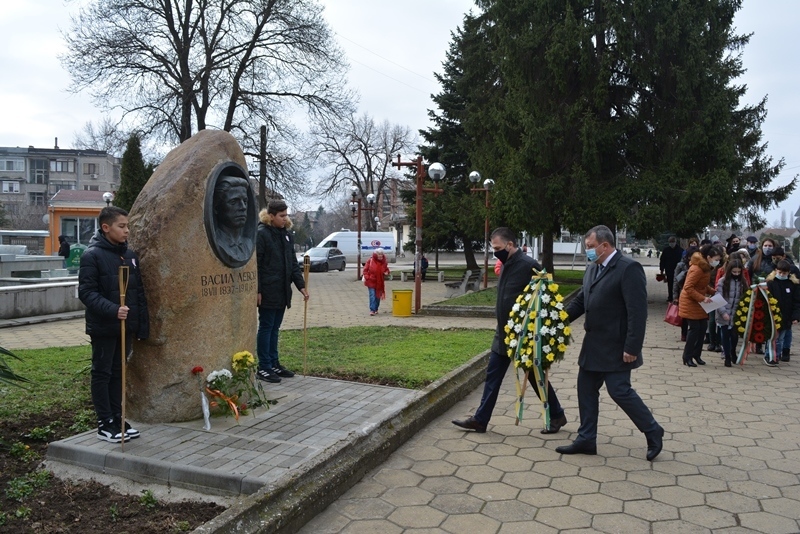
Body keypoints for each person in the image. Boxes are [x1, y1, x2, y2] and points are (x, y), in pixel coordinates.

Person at [556, 225, 663, 460]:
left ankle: (653, 431)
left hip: (617, 346)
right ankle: (586, 439)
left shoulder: (628, 268)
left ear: (605, 245)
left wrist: (632, 347)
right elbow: (581, 301)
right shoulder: (593, 268)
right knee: (585, 389)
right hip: (594, 344)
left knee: (620, 391)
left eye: (591, 247)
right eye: (587, 248)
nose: (588, 252)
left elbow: (637, 312)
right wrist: (557, 320)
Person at [452, 227, 567, 435]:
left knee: (534, 376)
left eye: (498, 248)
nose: (495, 251)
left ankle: (557, 415)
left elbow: (546, 297)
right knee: (493, 377)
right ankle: (480, 420)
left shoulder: (529, 265)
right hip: (503, 334)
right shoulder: (505, 264)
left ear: (510, 245)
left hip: (522, 335)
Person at [78, 206, 149, 443]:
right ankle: (104, 422)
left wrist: (140, 325)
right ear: (105, 227)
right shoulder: (92, 256)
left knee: (119, 372)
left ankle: (118, 417)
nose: (127, 230)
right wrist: (113, 310)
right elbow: (86, 292)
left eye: (128, 226)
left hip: (125, 326)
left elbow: (137, 293)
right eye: (122, 226)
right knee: (103, 372)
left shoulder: (129, 255)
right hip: (104, 326)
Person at [256, 199, 308, 383]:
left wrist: (301, 286)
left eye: (286, 215)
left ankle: (274, 362)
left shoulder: (286, 235)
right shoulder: (261, 234)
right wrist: (258, 290)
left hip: (282, 289)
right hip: (268, 289)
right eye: (282, 216)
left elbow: (293, 264)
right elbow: (257, 265)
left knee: (275, 328)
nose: (285, 219)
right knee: (267, 326)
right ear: (271, 216)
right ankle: (264, 366)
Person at [679, 244, 724, 367]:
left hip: (699, 303)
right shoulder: (697, 268)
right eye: (716, 259)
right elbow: (688, 287)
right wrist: (703, 298)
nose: (717, 262)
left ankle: (696, 355)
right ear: (708, 257)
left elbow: (702, 286)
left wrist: (712, 292)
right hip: (691, 302)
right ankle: (687, 357)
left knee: (702, 329)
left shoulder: (705, 267)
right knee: (694, 330)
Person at [210, 175, 255, 267]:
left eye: (245, 201)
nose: (243, 207)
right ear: (216, 208)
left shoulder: (248, 244)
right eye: (233, 202)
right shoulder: (217, 241)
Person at [765, 260, 800, 365]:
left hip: (786, 317)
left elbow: (797, 302)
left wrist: (796, 316)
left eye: (784, 273)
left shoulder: (793, 285)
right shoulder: (771, 283)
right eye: (779, 272)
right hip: (772, 316)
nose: (781, 275)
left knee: (780, 338)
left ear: (788, 273)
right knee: (772, 337)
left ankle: (777, 355)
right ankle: (769, 355)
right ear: (776, 271)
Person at [716, 259, 745, 367]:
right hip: (724, 313)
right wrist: (723, 312)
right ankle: (727, 356)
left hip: (736, 314)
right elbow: (718, 298)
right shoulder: (722, 281)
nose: (736, 274)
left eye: (738, 272)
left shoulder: (743, 282)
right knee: (725, 335)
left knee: (734, 336)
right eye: (734, 272)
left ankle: (733, 351)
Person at [363, 249, 390, 315]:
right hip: (371, 281)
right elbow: (365, 270)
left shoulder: (384, 262)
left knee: (377, 296)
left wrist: (386, 272)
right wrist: (367, 277)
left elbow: (386, 269)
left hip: (380, 281)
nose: (380, 258)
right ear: (376, 255)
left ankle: (376, 308)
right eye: (379, 256)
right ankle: (372, 310)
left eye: (381, 256)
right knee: (372, 295)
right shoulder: (370, 260)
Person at [659, 236, 683, 302]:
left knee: (678, 284)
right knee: (670, 284)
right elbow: (662, 260)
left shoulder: (680, 250)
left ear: (675, 242)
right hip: (669, 270)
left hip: (679, 271)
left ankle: (677, 296)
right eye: (670, 242)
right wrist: (661, 269)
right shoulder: (666, 250)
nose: (672, 243)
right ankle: (670, 297)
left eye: (673, 242)